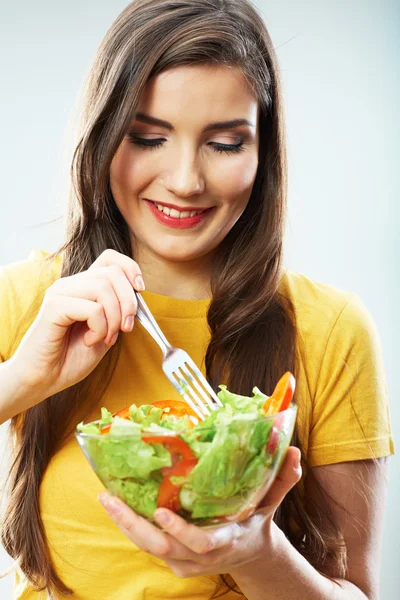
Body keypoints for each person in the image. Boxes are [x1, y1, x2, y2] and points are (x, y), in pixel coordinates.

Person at [0, 1, 394, 599]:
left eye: (225, 144)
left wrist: (259, 555)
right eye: (150, 137)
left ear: (262, 156)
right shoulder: (35, 301)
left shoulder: (330, 328)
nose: (185, 180)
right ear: (105, 137)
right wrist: (23, 380)